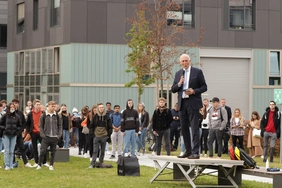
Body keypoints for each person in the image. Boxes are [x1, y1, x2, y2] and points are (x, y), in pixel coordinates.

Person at [171, 53, 207, 159]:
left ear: (190, 61)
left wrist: (194, 91)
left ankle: (196, 152)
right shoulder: (178, 74)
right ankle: (188, 151)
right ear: (180, 63)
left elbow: (204, 87)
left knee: (195, 128)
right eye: (182, 61)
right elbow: (173, 89)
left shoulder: (197, 72)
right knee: (184, 129)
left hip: (193, 103)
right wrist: (179, 84)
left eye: (186, 61)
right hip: (182, 104)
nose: (184, 63)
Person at [36, 101, 62, 171]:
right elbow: (40, 126)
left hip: (54, 136)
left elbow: (60, 126)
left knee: (53, 152)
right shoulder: (44, 115)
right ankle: (39, 164)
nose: (53, 107)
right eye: (52, 106)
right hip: (46, 136)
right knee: (42, 151)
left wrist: (59, 135)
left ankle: (51, 165)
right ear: (48, 106)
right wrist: (42, 135)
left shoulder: (57, 115)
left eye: (54, 106)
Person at [88, 103, 112, 168]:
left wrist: (108, 135)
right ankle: (92, 163)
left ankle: (101, 163)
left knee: (102, 151)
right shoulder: (95, 117)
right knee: (95, 151)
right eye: (100, 107)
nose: (101, 109)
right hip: (96, 136)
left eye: (102, 107)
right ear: (98, 109)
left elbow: (110, 127)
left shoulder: (107, 117)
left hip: (104, 136)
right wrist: (93, 134)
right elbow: (91, 126)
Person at [26, 99, 48, 167]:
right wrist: (29, 131)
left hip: (41, 132)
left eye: (39, 104)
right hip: (34, 132)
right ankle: (36, 161)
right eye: (37, 105)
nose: (38, 106)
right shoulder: (30, 114)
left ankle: (44, 162)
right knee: (34, 148)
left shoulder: (43, 113)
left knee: (43, 147)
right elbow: (28, 123)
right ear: (34, 105)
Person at [0, 103, 22, 170]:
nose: (12, 108)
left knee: (12, 151)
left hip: (14, 135)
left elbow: (20, 125)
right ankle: (6, 165)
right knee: (7, 150)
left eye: (13, 107)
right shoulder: (5, 116)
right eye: (11, 107)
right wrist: (5, 128)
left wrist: (16, 130)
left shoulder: (17, 116)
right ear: (9, 108)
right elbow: (0, 124)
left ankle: (11, 164)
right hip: (6, 135)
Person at [12, 98, 32, 167]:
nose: (15, 105)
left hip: (19, 134)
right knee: (12, 149)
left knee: (22, 148)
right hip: (11, 134)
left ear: (18, 104)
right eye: (13, 103)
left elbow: (24, 123)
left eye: (16, 103)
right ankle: (12, 162)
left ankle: (26, 162)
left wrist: (20, 131)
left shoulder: (20, 113)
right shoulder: (9, 113)